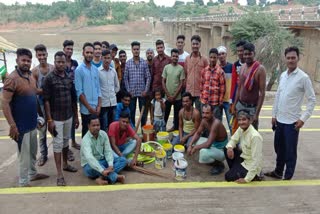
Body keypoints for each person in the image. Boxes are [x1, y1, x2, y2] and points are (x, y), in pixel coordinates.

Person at [265, 46, 316, 180]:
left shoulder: (303, 77)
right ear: (285, 59)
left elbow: (312, 100)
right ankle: (278, 171)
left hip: (292, 122)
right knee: (278, 148)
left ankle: (288, 176)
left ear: (298, 58)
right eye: (288, 58)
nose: (291, 60)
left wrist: (303, 119)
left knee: (290, 152)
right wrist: (274, 115)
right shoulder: (282, 75)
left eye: (293, 58)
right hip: (280, 120)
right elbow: (278, 96)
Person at [2, 48, 49, 187]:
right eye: (23, 60)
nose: (26, 63)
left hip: (32, 123)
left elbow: (34, 93)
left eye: (28, 61)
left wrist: (49, 90)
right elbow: (4, 103)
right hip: (20, 126)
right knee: (23, 156)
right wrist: (12, 125)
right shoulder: (12, 78)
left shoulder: (29, 75)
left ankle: (33, 173)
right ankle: (23, 181)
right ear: (17, 60)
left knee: (33, 152)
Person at [43, 51, 79, 186]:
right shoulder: (48, 78)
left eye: (63, 62)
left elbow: (74, 99)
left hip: (68, 116)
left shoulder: (69, 77)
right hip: (56, 118)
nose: (60, 64)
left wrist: (76, 116)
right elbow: (46, 100)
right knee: (57, 144)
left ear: (65, 62)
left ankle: (65, 164)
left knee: (65, 142)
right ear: (54, 62)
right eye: (58, 61)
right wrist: (49, 120)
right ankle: (59, 174)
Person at [81, 115, 127, 185]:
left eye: (98, 125)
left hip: (103, 161)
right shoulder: (85, 140)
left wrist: (110, 165)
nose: (96, 127)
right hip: (89, 165)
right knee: (92, 166)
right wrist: (102, 170)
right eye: (93, 125)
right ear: (88, 126)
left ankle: (101, 178)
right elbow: (90, 159)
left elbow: (108, 151)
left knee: (123, 160)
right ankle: (115, 177)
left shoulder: (103, 134)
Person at [233, 42, 266, 130]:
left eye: (249, 54)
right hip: (241, 106)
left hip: (252, 108)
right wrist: (234, 105)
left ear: (254, 53)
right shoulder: (243, 67)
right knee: (240, 132)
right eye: (245, 54)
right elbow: (239, 88)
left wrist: (256, 114)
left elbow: (262, 93)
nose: (247, 56)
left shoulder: (260, 69)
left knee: (252, 134)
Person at [187, 104, 228, 175]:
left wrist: (195, 147)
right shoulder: (204, 120)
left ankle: (219, 164)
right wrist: (191, 145)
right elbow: (198, 133)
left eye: (207, 113)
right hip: (213, 144)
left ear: (212, 113)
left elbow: (208, 144)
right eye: (203, 113)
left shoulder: (216, 123)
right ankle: (212, 159)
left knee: (203, 153)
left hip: (221, 150)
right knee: (192, 142)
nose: (204, 115)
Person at [31, 44, 55, 166]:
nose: (42, 57)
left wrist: (46, 89)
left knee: (55, 129)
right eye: (39, 55)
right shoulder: (34, 71)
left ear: (47, 54)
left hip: (53, 104)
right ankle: (44, 155)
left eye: (43, 54)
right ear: (36, 56)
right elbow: (34, 90)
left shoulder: (53, 68)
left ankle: (60, 151)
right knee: (42, 131)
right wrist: (47, 89)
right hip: (40, 105)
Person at [224, 110, 263, 183]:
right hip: (244, 159)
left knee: (228, 177)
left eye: (244, 119)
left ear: (250, 120)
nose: (241, 122)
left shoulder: (255, 137)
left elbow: (256, 160)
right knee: (226, 148)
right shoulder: (241, 129)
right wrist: (230, 148)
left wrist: (246, 179)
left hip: (250, 165)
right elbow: (233, 140)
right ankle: (236, 171)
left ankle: (255, 176)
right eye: (239, 120)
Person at [75, 42, 102, 137]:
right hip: (86, 110)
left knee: (96, 131)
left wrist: (99, 106)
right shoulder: (79, 70)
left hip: (96, 108)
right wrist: (89, 108)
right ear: (83, 53)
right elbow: (80, 92)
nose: (89, 55)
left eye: (91, 52)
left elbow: (98, 88)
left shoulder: (95, 69)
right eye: (87, 52)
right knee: (86, 132)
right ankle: (85, 151)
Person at [124, 41, 151, 128]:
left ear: (140, 50)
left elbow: (148, 77)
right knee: (131, 113)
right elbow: (125, 78)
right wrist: (128, 91)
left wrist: (146, 90)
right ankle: (132, 131)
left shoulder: (144, 63)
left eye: (137, 49)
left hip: (142, 93)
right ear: (132, 50)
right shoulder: (128, 63)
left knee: (143, 114)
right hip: (132, 94)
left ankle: (144, 131)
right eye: (134, 49)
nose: (136, 51)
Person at [63, 40, 80, 161]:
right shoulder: (61, 62)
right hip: (63, 94)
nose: (69, 51)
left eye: (71, 49)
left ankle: (73, 141)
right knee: (65, 121)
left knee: (74, 118)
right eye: (68, 48)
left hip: (73, 93)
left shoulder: (75, 63)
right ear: (64, 49)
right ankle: (66, 147)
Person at [162, 48, 185, 131]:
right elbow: (163, 81)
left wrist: (174, 96)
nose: (175, 57)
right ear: (171, 57)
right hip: (167, 97)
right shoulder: (166, 67)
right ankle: (163, 130)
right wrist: (168, 95)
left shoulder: (181, 68)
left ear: (178, 57)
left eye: (176, 56)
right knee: (165, 115)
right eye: (173, 56)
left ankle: (175, 131)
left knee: (176, 117)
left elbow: (181, 83)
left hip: (177, 97)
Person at [185, 35, 208, 113]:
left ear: (200, 45)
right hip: (189, 92)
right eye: (193, 44)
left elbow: (207, 76)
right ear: (191, 45)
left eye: (197, 44)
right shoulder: (187, 59)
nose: (195, 46)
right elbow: (185, 74)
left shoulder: (204, 60)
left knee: (199, 114)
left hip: (200, 93)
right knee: (188, 113)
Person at [200, 48, 225, 121]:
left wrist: (220, 102)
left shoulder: (220, 71)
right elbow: (201, 85)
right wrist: (202, 98)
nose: (212, 59)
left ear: (217, 58)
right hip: (205, 102)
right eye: (211, 57)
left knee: (215, 122)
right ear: (209, 57)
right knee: (205, 122)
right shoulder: (204, 70)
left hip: (215, 103)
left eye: (214, 57)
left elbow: (222, 88)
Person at [99, 50, 120, 132]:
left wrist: (113, 93)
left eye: (108, 58)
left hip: (113, 103)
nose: (107, 60)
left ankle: (112, 143)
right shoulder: (98, 71)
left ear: (111, 59)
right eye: (105, 58)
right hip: (103, 104)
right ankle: (104, 143)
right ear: (101, 58)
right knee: (104, 126)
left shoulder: (113, 71)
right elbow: (97, 88)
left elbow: (117, 86)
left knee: (113, 126)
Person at [230, 40, 247, 135]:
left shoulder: (252, 64)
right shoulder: (235, 65)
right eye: (238, 51)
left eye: (242, 50)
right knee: (236, 122)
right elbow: (233, 84)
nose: (240, 53)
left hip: (248, 99)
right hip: (237, 98)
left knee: (247, 123)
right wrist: (231, 102)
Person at [217, 46, 233, 133]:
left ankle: (235, 145)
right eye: (219, 54)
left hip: (228, 101)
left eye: (223, 54)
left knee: (231, 124)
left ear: (226, 54)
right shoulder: (216, 68)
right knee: (218, 124)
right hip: (218, 100)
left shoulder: (231, 67)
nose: (221, 56)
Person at [145, 48, 155, 123]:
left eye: (151, 53)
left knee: (154, 111)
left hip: (154, 91)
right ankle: (144, 127)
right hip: (145, 91)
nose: (149, 54)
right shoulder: (144, 64)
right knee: (145, 111)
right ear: (146, 55)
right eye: (148, 53)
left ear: (153, 54)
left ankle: (153, 125)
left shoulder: (156, 64)